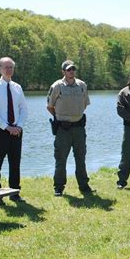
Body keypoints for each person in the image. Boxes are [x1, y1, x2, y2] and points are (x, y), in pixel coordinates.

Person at [47, 60, 93, 196]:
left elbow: (85, 104)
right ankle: (59, 187)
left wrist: (75, 115)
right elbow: (50, 106)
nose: (71, 71)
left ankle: (84, 186)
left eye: (73, 69)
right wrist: (61, 117)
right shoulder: (57, 86)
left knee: (81, 158)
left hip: (79, 128)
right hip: (63, 129)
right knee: (61, 159)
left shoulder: (82, 86)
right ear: (63, 72)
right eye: (68, 69)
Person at [0, 57, 28, 202]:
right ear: (0, 69)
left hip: (17, 131)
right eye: (6, 67)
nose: (9, 70)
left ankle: (14, 192)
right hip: (0, 131)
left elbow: (23, 109)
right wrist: (7, 127)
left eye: (11, 67)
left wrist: (19, 126)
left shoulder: (17, 87)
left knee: (15, 163)